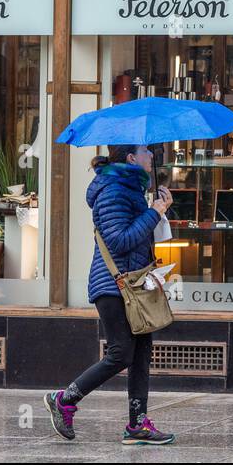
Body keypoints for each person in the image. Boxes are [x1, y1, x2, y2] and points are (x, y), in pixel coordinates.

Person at [44, 144, 176, 445]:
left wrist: (157, 212)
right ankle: (65, 398)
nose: (151, 156)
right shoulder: (114, 190)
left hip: (134, 285)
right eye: (146, 151)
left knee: (141, 354)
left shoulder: (130, 189)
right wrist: (154, 212)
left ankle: (137, 424)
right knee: (121, 353)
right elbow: (119, 241)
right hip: (114, 286)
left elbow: (135, 235)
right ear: (131, 157)